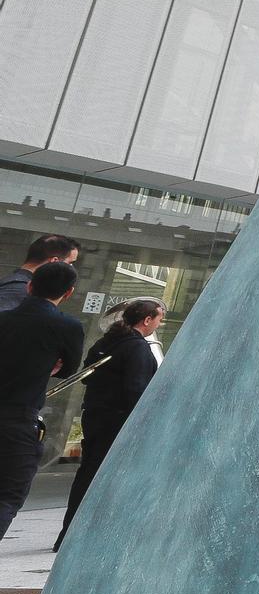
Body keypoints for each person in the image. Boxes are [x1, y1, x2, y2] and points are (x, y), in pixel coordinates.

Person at [54, 298, 165, 553]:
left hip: (95, 415)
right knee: (110, 476)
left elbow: (87, 377)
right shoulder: (137, 348)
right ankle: (93, 535)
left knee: (87, 472)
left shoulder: (105, 343)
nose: (159, 324)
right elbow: (136, 389)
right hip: (118, 419)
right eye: (159, 319)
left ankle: (67, 533)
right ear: (147, 320)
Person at [0, 261, 83, 542]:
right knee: (8, 495)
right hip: (18, 420)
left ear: (29, 286)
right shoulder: (67, 326)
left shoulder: (4, 319)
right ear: (69, 293)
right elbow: (69, 369)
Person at [0, 235, 80, 313]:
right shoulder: (18, 289)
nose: (71, 268)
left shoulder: (17, 284)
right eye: (69, 263)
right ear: (55, 261)